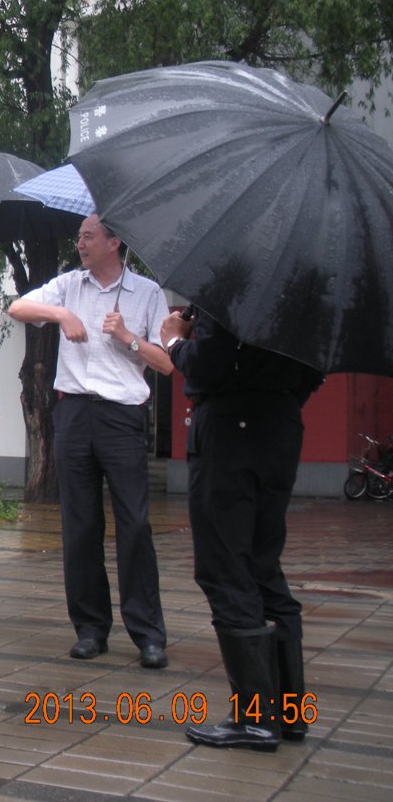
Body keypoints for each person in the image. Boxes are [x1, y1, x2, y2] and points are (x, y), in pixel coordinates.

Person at [6, 214, 172, 668]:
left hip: (122, 417)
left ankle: (148, 633)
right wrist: (61, 314)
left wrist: (127, 338)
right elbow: (18, 308)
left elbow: (166, 363)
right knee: (79, 525)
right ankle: (90, 628)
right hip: (74, 413)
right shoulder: (68, 286)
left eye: (89, 236)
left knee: (134, 523)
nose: (80, 243)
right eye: (79, 236)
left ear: (114, 242)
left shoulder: (147, 293)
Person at [161, 307, 321, 751]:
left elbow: (208, 364)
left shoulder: (233, 294)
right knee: (263, 566)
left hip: (229, 431)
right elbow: (314, 370)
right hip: (281, 424)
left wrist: (175, 340)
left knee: (225, 567)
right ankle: (288, 714)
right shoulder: (308, 297)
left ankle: (255, 720)